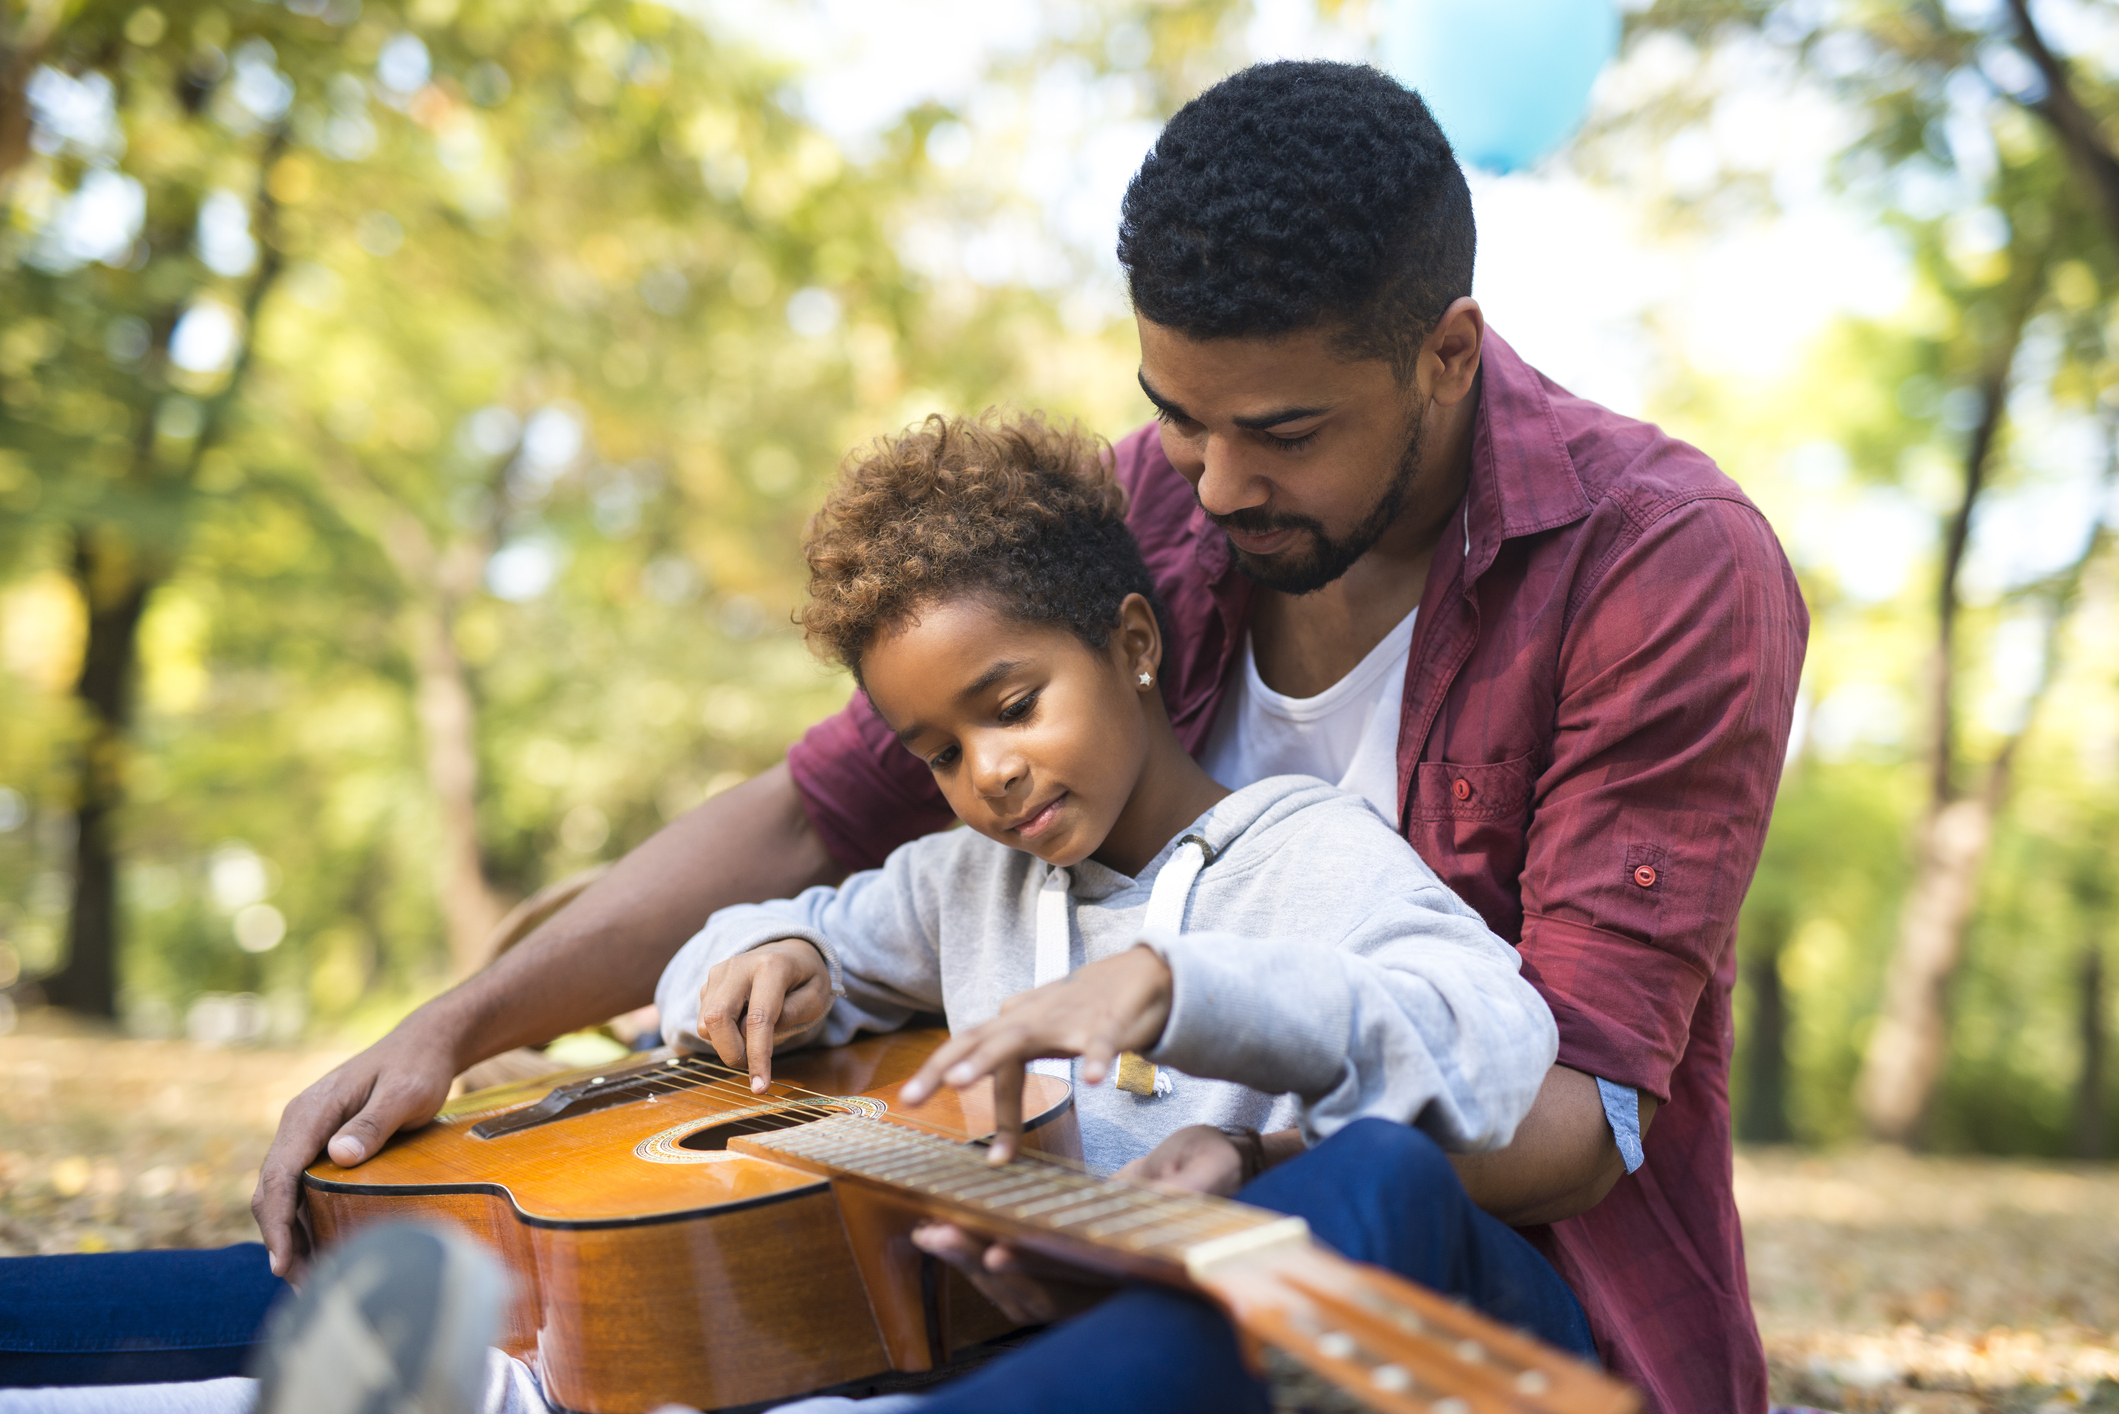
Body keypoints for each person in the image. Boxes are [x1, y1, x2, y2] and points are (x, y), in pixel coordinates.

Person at [1, 58, 1805, 1414]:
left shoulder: (1658, 567)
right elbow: (809, 821)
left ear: (1447, 351)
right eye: (1175, 415)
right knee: (485, 1249)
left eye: (1282, 431)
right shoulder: (1141, 522)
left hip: (1485, 1292)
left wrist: (1214, 1145)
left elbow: (1572, 1119)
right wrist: (467, 1022)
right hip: (1063, 1269)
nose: (1218, 482)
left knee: (1367, 1176)